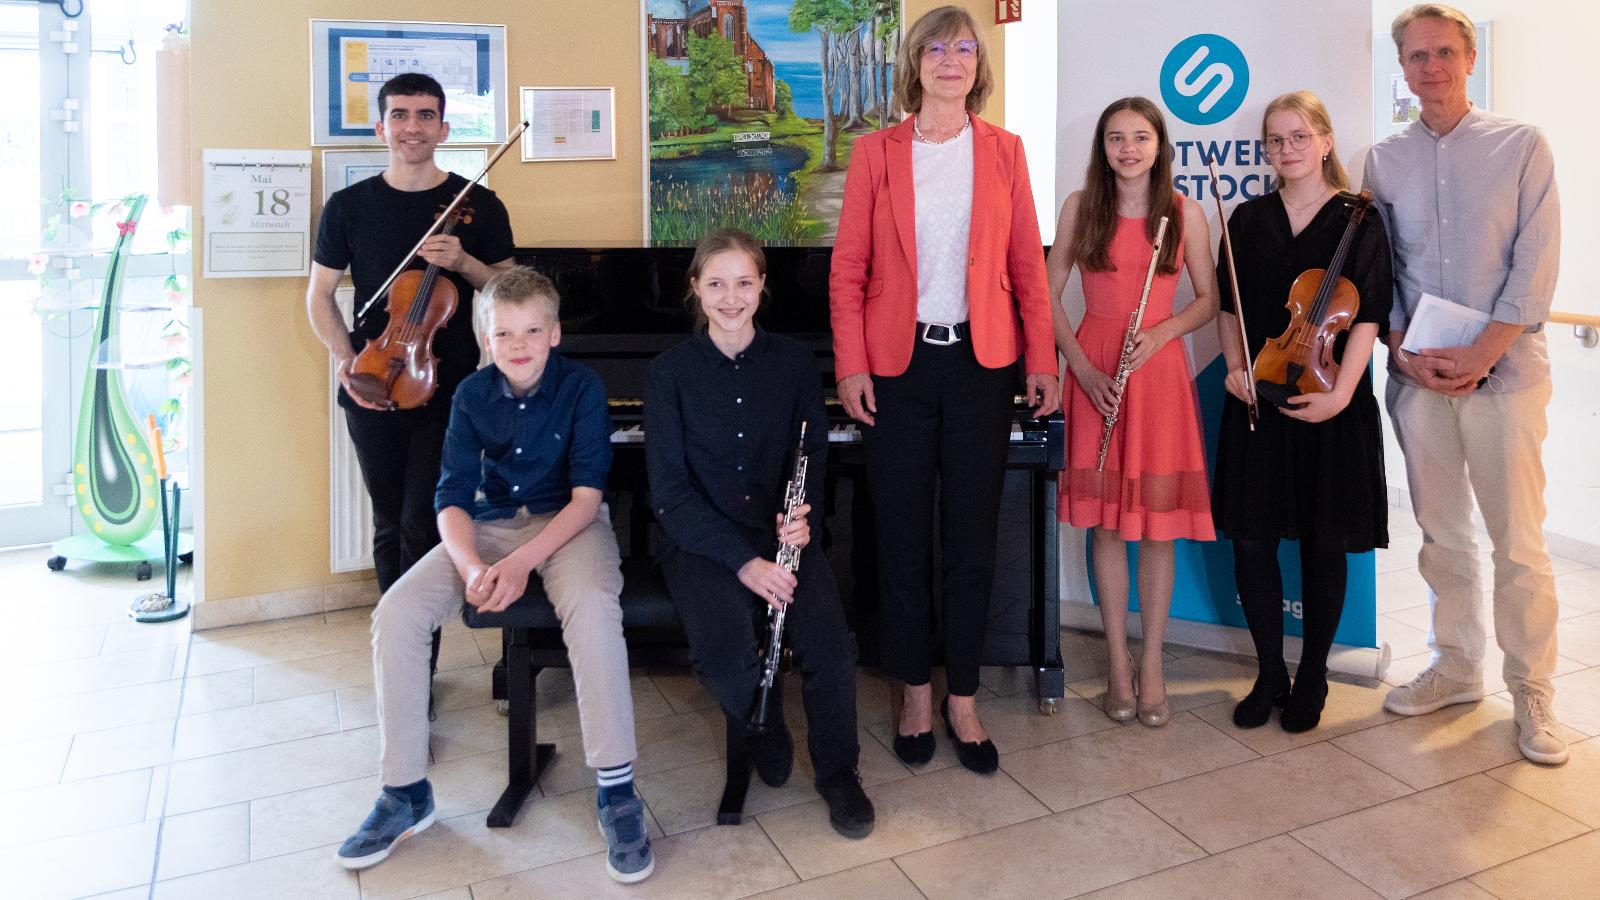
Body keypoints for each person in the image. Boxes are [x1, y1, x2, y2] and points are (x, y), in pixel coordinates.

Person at [335, 268, 652, 883]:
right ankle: (405, 792)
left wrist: (520, 563)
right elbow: (450, 499)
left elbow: (587, 499)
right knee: (396, 612)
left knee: (590, 606)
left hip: (568, 526)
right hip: (488, 528)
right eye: (504, 332)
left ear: (555, 333)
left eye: (532, 329)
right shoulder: (470, 396)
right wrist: (476, 565)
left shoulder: (583, 387)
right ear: (485, 338)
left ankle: (617, 791)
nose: (519, 344)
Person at [830, 5, 1059, 774]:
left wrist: (1042, 359)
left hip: (982, 367)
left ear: (977, 66)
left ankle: (962, 695)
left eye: (965, 48)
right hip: (895, 370)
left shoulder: (1005, 151)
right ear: (916, 62)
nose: (951, 60)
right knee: (899, 541)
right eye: (937, 47)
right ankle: (914, 693)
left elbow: (1028, 265)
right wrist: (852, 364)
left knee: (971, 540)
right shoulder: (875, 154)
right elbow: (849, 272)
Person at [1366, 4, 1568, 765]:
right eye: (1417, 55)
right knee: (1443, 536)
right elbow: (1379, 269)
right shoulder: (1384, 159)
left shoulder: (1522, 147)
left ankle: (1533, 691)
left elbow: (1536, 261)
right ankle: (1455, 665)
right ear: (1403, 67)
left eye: (1445, 52)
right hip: (1420, 382)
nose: (1432, 67)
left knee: (1519, 544)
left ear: (1469, 57)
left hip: (1507, 378)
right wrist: (1397, 349)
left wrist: (1484, 351)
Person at [645, 229, 875, 839]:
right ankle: (763, 719)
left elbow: (813, 462)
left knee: (831, 649)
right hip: (702, 541)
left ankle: (839, 774)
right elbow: (669, 494)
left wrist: (802, 520)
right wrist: (746, 563)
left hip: (783, 537)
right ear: (694, 289)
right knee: (723, 654)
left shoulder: (797, 364)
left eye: (743, 282)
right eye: (715, 283)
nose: (730, 296)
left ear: (761, 286)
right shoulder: (668, 374)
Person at [1212, 91, 1393, 733]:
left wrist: (1342, 393)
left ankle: (1313, 673)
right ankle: (1269, 672)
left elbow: (1368, 312)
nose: (1285, 149)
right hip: (1258, 396)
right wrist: (1236, 368)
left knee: (1322, 542)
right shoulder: (1247, 218)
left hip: (1328, 401)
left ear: (1323, 140)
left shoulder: (1358, 220)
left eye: (1297, 136)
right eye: (1274, 140)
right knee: (1254, 541)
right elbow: (1229, 309)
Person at [307, 73, 516, 599]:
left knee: (423, 518)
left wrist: (465, 262)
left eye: (425, 116)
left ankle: (421, 649)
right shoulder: (348, 206)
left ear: (443, 128)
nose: (412, 127)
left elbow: (510, 290)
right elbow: (319, 295)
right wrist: (347, 359)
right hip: (370, 380)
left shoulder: (479, 204)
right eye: (400, 114)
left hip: (446, 388)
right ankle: (395, 641)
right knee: (387, 520)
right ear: (381, 127)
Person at [1047, 97, 1219, 728]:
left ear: (1158, 144)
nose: (1127, 149)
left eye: (1139, 137)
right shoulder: (1079, 207)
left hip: (1157, 371)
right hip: (1097, 370)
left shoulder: (1183, 213)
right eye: (1115, 138)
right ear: (1103, 146)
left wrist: (1167, 328)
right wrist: (1081, 369)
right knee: (1109, 526)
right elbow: (1046, 293)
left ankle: (1152, 668)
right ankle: (1117, 663)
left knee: (1157, 527)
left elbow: (1208, 300)